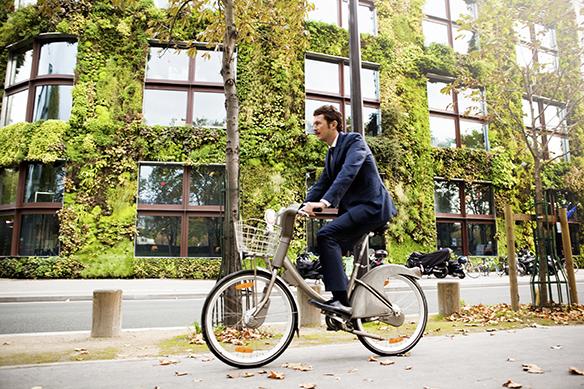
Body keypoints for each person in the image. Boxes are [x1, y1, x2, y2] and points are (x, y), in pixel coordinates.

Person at [300, 105, 397, 316]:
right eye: (313, 123)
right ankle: (349, 301)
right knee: (328, 245)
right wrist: (300, 206)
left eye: (318, 123)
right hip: (356, 210)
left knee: (326, 235)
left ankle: (341, 301)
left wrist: (324, 203)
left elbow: (348, 173)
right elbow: (322, 183)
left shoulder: (354, 141)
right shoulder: (331, 153)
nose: (314, 127)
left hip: (372, 207)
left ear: (333, 124)